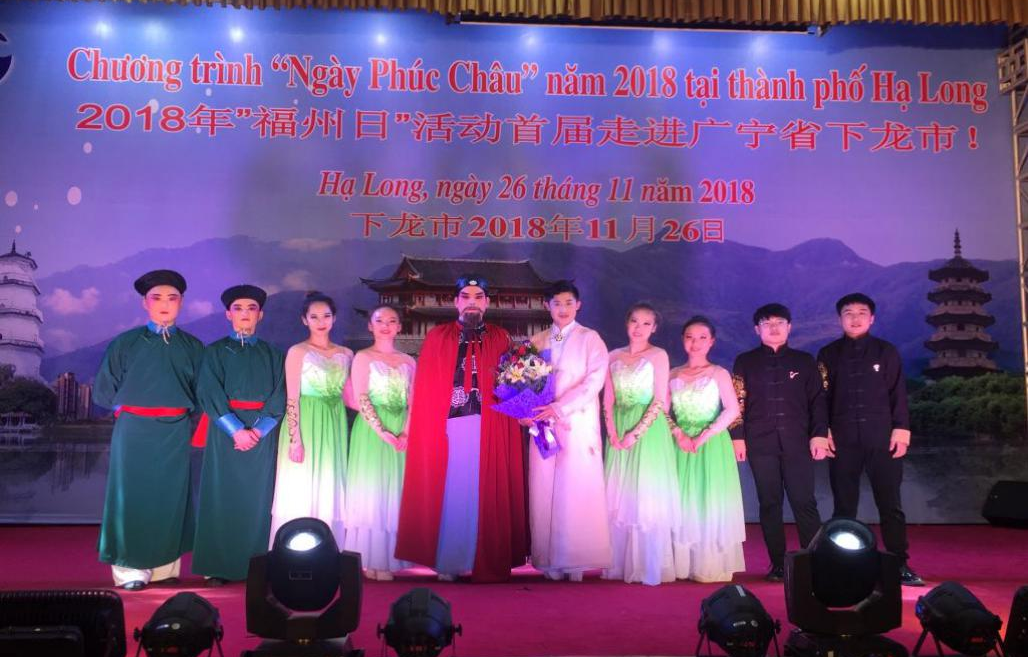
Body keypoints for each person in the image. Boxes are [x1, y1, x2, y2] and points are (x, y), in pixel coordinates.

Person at [395, 275, 529, 582]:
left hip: (489, 426)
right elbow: (427, 389)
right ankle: (451, 561)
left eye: (478, 297)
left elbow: (510, 386)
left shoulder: (500, 338)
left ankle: (486, 558)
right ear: (456, 302)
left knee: (484, 492)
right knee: (453, 492)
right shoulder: (438, 337)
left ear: (487, 303)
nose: (472, 302)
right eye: (466, 296)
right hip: (449, 427)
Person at [94, 270, 204, 590]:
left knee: (170, 497)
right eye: (157, 298)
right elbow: (103, 391)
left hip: (175, 431)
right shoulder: (125, 343)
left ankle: (164, 568)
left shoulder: (194, 347)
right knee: (130, 496)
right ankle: (129, 569)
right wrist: (128, 410)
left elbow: (203, 394)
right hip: (133, 431)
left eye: (172, 298)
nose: (165, 304)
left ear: (181, 303)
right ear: (145, 303)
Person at [817, 293, 922, 586]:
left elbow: (898, 393)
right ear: (840, 319)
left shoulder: (886, 351)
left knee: (890, 504)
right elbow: (820, 398)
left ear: (872, 318)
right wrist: (822, 430)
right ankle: (843, 566)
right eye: (848, 313)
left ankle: (899, 564)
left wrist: (901, 430)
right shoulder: (828, 354)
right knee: (843, 506)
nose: (855, 318)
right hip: (842, 439)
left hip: (882, 437)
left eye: (861, 312)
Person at [192, 285, 285, 585]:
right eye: (238, 308)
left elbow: (280, 395)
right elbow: (209, 391)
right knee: (220, 495)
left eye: (251, 308)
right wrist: (236, 430)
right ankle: (217, 566)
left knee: (259, 499)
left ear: (261, 315)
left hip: (261, 434)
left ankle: (256, 565)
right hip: (224, 432)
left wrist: (257, 430)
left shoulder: (273, 354)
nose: (245, 313)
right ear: (228, 314)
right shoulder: (214, 351)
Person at [731, 303, 827, 582]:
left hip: (798, 442)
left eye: (779, 323)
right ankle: (777, 565)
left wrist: (819, 434)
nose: (773, 328)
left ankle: (813, 562)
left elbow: (817, 401)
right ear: (757, 329)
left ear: (789, 327)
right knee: (769, 503)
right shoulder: (745, 361)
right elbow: (737, 401)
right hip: (759, 443)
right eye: (767, 323)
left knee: (804, 502)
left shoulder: (804, 361)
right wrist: (738, 437)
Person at [528, 280, 611, 581]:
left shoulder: (591, 338)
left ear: (578, 305)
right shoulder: (536, 341)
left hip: (576, 422)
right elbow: (523, 382)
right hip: (542, 424)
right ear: (547, 306)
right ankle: (548, 560)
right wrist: (526, 412)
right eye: (556, 303)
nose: (562, 309)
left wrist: (560, 407)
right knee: (543, 486)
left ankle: (576, 560)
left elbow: (594, 381)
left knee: (575, 487)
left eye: (568, 303)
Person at [601, 303, 679, 585]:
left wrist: (635, 433)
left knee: (645, 495)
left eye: (646, 323)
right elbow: (608, 398)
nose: (639, 328)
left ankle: (648, 566)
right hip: (618, 426)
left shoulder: (658, 355)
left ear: (654, 328)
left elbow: (659, 400)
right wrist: (612, 431)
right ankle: (619, 564)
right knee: (619, 495)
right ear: (627, 323)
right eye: (635, 321)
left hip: (648, 431)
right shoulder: (612, 355)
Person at [269, 291, 353, 547]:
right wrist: (295, 439)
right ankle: (293, 547)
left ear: (334, 318)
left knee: (329, 483)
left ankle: (328, 547)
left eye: (326, 315)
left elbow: (350, 396)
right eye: (314, 316)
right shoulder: (298, 351)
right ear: (304, 320)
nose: (321, 321)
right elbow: (292, 397)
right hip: (305, 421)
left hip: (334, 423)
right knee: (301, 484)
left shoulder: (347, 353)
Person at [668, 316, 746, 582]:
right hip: (680, 444)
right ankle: (683, 563)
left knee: (709, 498)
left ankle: (709, 564)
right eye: (690, 337)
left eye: (702, 337)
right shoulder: (673, 374)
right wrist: (678, 433)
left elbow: (732, 410)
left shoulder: (718, 373)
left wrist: (704, 436)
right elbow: (662, 410)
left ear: (711, 341)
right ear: (683, 340)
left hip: (711, 444)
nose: (696, 342)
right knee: (683, 500)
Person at [344, 305, 415, 580]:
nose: (385, 325)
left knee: (394, 491)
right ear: (370, 326)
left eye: (392, 320)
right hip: (371, 430)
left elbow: (414, 401)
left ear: (399, 326)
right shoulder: (363, 357)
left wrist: (406, 432)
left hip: (401, 428)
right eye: (379, 320)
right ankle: (371, 559)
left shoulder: (409, 361)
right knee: (372, 490)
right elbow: (362, 398)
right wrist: (382, 431)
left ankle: (389, 558)